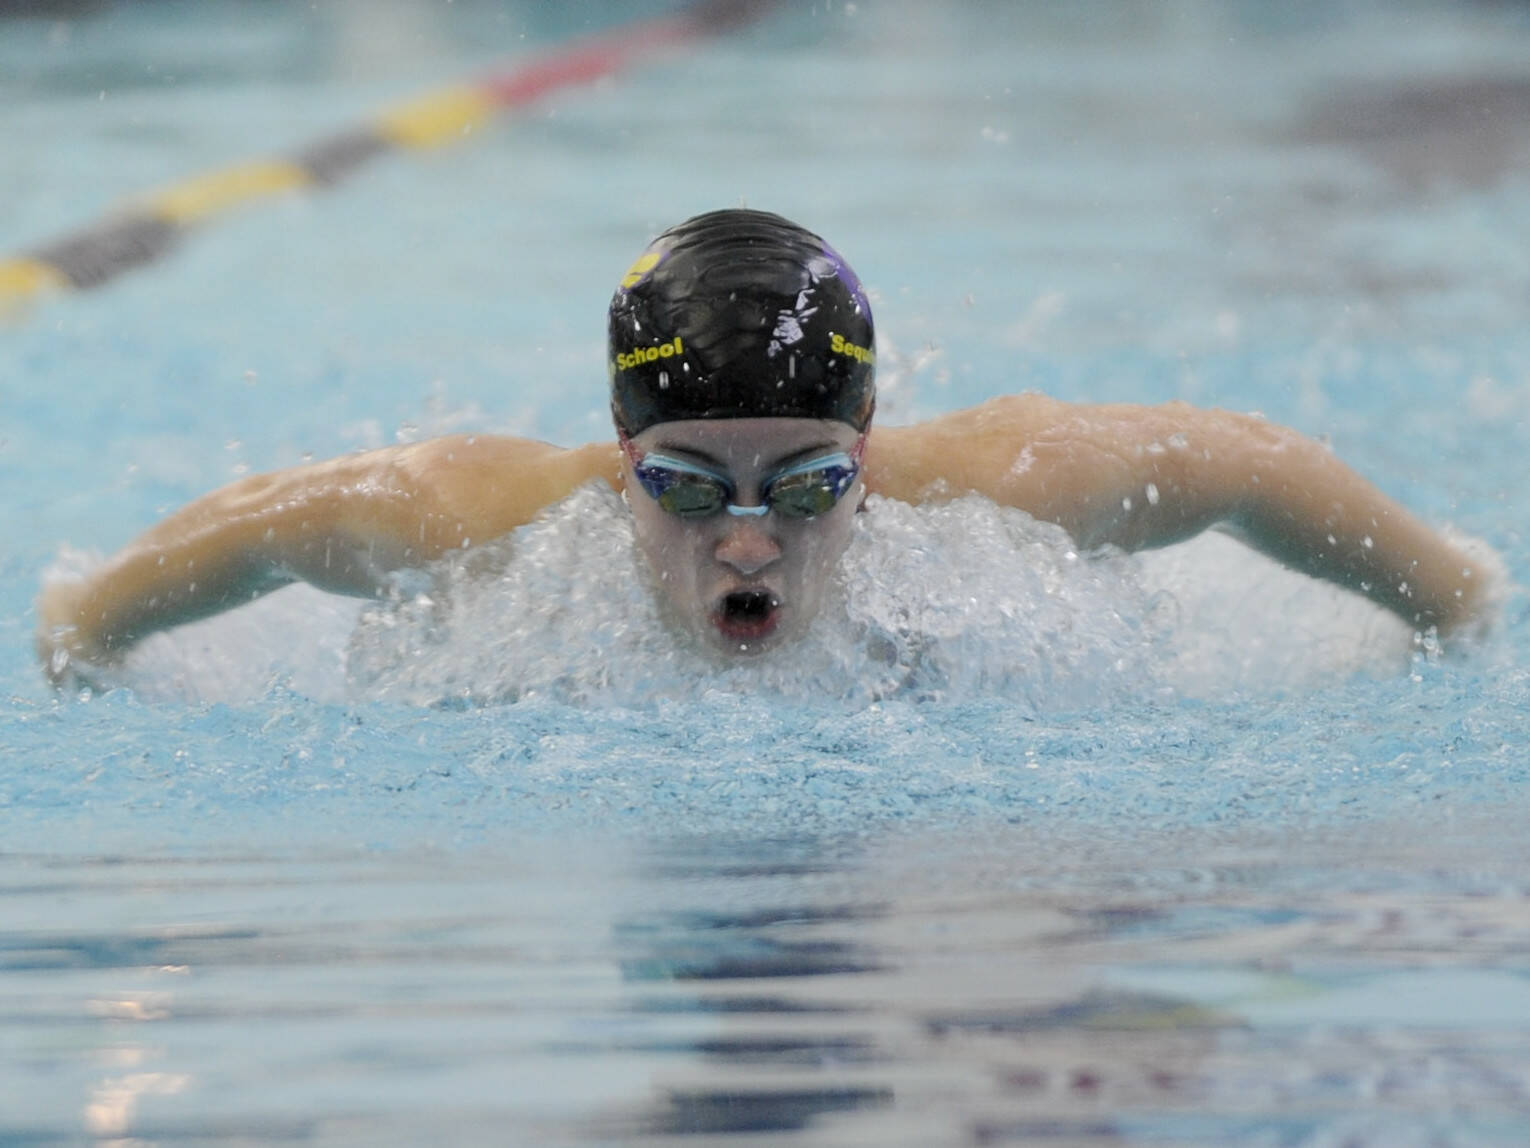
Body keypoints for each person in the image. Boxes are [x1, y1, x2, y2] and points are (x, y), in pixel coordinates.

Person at [36, 208, 1495, 686]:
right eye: (684, 485)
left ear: (871, 439)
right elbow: (208, 544)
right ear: (618, 454)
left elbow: (1245, 460)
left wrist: (1448, 604)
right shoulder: (458, 519)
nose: (747, 542)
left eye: (808, 486)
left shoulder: (1010, 486)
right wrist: (82, 642)